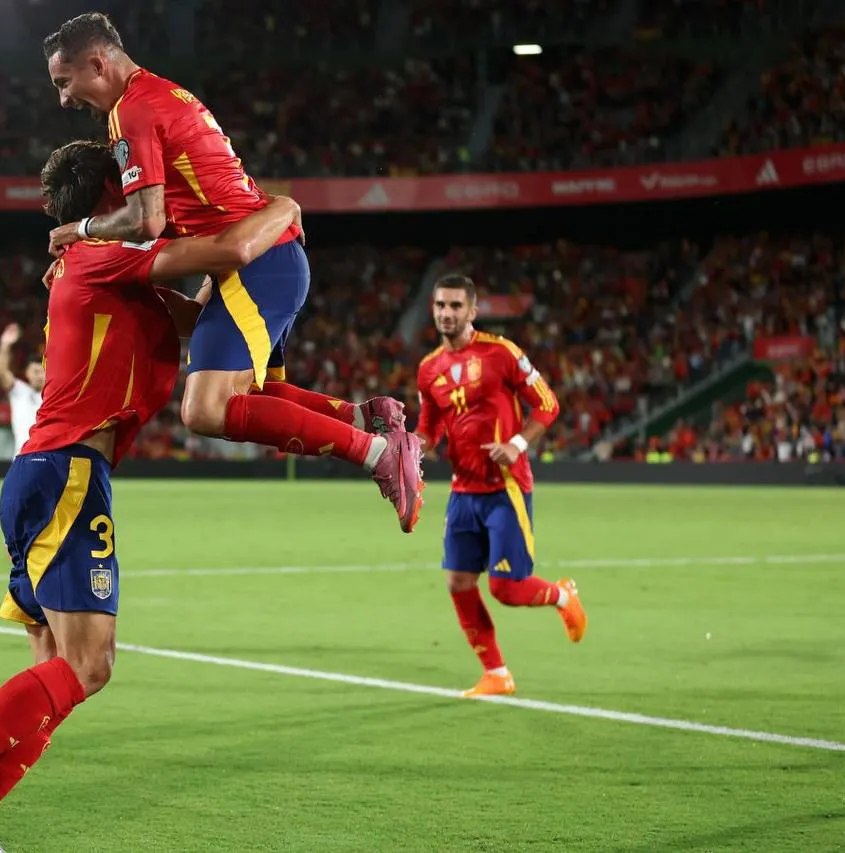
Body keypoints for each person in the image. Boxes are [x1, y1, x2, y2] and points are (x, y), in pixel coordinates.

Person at [0, 140, 304, 853]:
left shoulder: (112, 273)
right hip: (69, 473)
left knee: (56, 669)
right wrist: (285, 208)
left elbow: (208, 320)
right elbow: (232, 249)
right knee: (90, 665)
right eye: (139, 189)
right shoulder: (104, 254)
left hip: (45, 472)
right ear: (116, 198)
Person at [41, 12, 423, 532]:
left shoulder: (131, 110)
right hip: (257, 260)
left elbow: (147, 220)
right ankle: (369, 418)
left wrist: (82, 231)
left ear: (96, 63)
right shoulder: (160, 95)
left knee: (205, 409)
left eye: (64, 82)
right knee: (247, 398)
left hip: (258, 260)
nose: (64, 99)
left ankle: (378, 453)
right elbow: (189, 222)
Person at [415, 274, 589, 697]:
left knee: (506, 589)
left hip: (505, 488)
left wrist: (517, 444)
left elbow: (547, 403)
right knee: (459, 582)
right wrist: (406, 447)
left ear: (473, 311)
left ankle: (562, 596)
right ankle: (496, 674)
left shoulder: (502, 353)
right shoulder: (428, 369)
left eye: (456, 306)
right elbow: (429, 430)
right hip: (462, 491)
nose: (447, 313)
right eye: (440, 305)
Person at [0, 323, 45, 454]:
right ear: (27, 373)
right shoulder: (19, 390)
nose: (39, 376)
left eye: (42, 371)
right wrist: (5, 344)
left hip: (46, 455)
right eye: (35, 371)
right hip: (22, 455)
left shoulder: (54, 395)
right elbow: (1, 372)